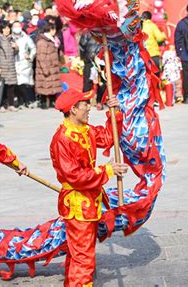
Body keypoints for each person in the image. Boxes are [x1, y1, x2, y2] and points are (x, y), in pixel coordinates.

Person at [51, 88, 129, 287]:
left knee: (79, 255)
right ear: (73, 109)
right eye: (85, 104)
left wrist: (114, 112)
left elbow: (107, 137)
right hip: (78, 206)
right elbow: (75, 177)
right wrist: (108, 170)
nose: (89, 107)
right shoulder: (63, 139)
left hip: (90, 203)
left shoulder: (86, 130)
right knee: (83, 259)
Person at [35, 23, 62, 109]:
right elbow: (41, 57)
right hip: (46, 67)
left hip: (53, 67)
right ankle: (43, 102)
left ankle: (52, 102)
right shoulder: (42, 42)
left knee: (53, 86)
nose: (55, 31)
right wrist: (45, 69)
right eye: (53, 29)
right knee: (44, 86)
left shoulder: (52, 40)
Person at [12, 21, 37, 108]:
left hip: (24, 63)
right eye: (15, 26)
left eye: (18, 26)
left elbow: (33, 48)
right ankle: (20, 101)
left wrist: (30, 56)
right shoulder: (10, 38)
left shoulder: (26, 38)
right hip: (13, 63)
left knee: (25, 83)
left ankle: (28, 100)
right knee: (16, 83)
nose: (17, 28)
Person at [0, 21, 19, 112]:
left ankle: (11, 104)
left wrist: (16, 47)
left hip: (11, 65)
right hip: (2, 65)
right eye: (5, 28)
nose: (7, 30)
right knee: (2, 86)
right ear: (1, 29)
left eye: (8, 28)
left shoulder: (11, 38)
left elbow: (15, 53)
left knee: (11, 86)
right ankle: (1, 105)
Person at [141, 10, 166, 76]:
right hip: (153, 54)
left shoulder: (139, 27)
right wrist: (163, 34)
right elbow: (160, 37)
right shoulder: (152, 25)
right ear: (150, 18)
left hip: (143, 55)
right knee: (156, 75)